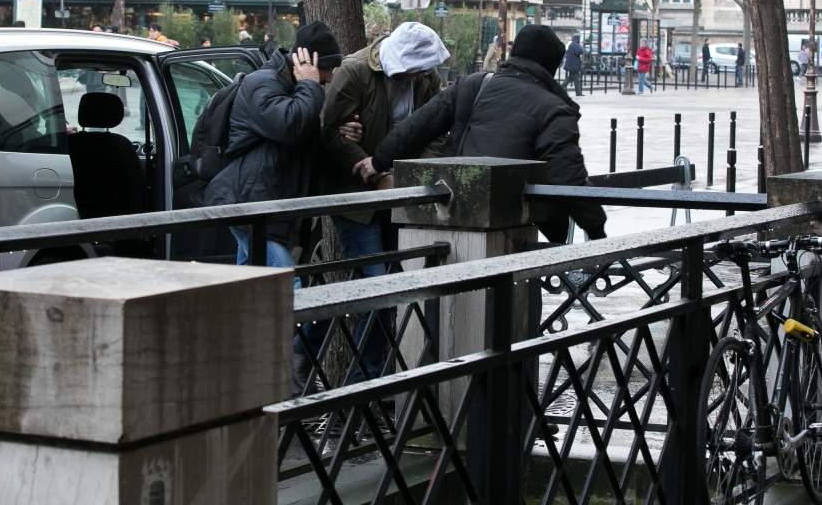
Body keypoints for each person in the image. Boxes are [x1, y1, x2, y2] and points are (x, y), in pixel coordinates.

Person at [353, 24, 607, 244]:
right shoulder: (555, 110)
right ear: (551, 65)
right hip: (512, 219)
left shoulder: (476, 84)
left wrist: (378, 161)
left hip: (452, 204)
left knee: (449, 292)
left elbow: (419, 125)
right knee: (510, 294)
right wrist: (597, 231)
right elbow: (569, 177)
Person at [318, 21, 448, 382]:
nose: (420, 75)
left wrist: (404, 177)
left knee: (388, 285)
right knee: (378, 287)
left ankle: (367, 378)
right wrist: (373, 174)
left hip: (398, 194)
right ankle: (358, 381)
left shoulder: (426, 78)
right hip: (358, 199)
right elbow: (332, 132)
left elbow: (436, 130)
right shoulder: (356, 71)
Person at [204, 20, 342, 268]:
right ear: (308, 63)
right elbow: (290, 125)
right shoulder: (263, 83)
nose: (331, 75)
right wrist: (309, 84)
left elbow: (303, 142)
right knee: (287, 282)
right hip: (247, 203)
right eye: (328, 67)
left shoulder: (294, 88)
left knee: (250, 283)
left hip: (264, 202)